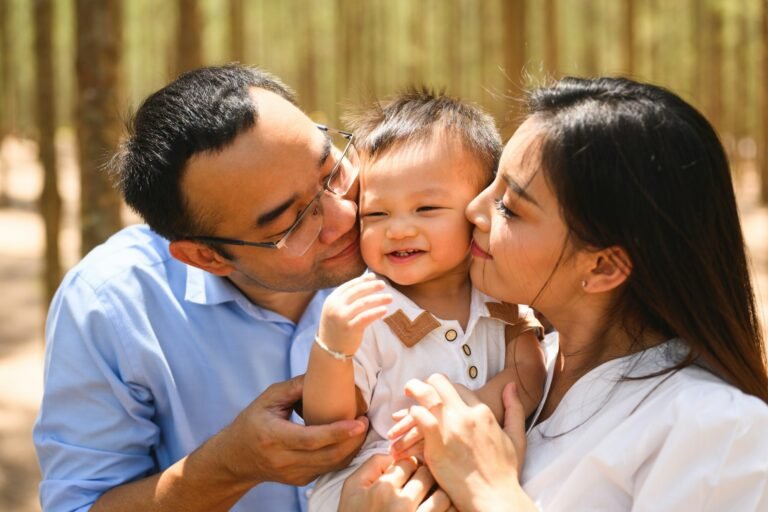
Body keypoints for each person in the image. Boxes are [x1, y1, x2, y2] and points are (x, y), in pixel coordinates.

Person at [340, 76, 768, 511]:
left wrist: (493, 494)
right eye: (492, 184)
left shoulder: (716, 429)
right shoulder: (519, 359)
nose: (473, 210)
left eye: (510, 207)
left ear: (602, 266)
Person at [33, 65, 371, 512]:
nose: (345, 217)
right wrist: (230, 466)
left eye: (331, 170)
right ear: (204, 257)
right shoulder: (111, 304)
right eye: (291, 222)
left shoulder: (418, 234)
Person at [303, 89, 545, 511]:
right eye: (376, 215)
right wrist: (333, 349)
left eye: (426, 208)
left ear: (478, 208)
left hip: (477, 467)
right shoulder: (367, 308)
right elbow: (330, 427)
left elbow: (529, 375)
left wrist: (461, 418)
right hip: (380, 477)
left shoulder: (500, 296)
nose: (398, 230)